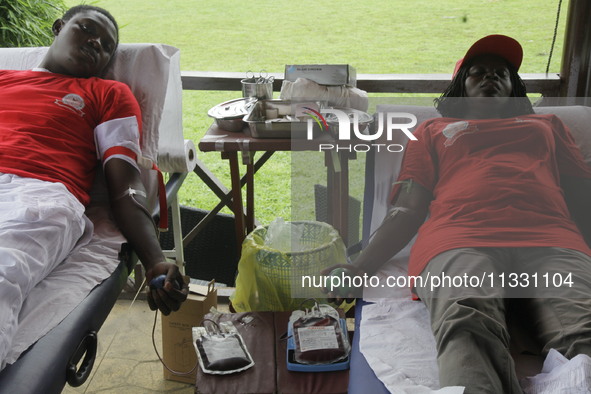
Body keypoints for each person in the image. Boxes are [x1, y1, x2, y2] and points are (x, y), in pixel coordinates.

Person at [329, 35, 591, 393]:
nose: (490, 77)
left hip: (551, 239)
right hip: (458, 240)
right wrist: (359, 266)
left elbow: (582, 197)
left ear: (514, 86)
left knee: (582, 330)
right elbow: (406, 207)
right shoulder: (430, 131)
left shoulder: (547, 125)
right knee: (466, 318)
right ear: (460, 87)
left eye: (501, 73)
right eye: (477, 73)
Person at [0, 5, 188, 364]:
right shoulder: (3, 80)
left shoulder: (107, 94)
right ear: (58, 28)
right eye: (86, 29)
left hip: (37, 196)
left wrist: (154, 260)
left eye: (105, 46)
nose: (95, 44)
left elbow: (125, 185)